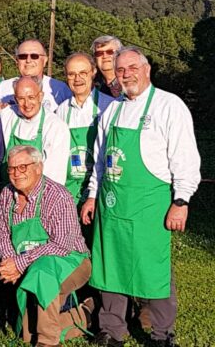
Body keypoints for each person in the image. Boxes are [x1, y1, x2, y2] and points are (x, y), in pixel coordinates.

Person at [82, 47, 201, 347]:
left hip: (150, 204)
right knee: (110, 265)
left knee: (154, 267)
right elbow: (100, 159)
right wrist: (93, 195)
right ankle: (112, 330)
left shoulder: (169, 106)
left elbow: (185, 158)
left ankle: (162, 334)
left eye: (132, 67)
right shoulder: (112, 110)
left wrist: (181, 200)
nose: (126, 74)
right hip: (112, 203)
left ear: (147, 69)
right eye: (120, 70)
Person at [0, 145, 92, 347]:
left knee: (42, 272)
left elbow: (62, 245)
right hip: (28, 265)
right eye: (11, 168)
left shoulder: (58, 195)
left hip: (72, 262)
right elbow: (1, 235)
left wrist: (20, 263)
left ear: (38, 167)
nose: (15, 173)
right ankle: (87, 315)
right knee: (27, 334)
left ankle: (48, 342)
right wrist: (10, 263)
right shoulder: (6, 194)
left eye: (23, 167)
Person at [55, 53, 114, 208]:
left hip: (99, 186)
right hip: (70, 188)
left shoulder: (109, 105)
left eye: (83, 73)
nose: (77, 79)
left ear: (93, 72)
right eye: (72, 74)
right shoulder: (61, 110)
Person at [0, 76, 71, 185]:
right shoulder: (7, 115)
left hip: (41, 195)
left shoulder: (55, 126)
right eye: (21, 98)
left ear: (41, 96)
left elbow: (55, 176)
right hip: (8, 192)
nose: (27, 104)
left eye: (31, 97)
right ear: (15, 99)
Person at [0, 39, 71, 113]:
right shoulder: (3, 87)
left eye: (34, 56)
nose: (28, 60)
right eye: (23, 56)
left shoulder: (60, 89)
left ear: (45, 60)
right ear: (17, 61)